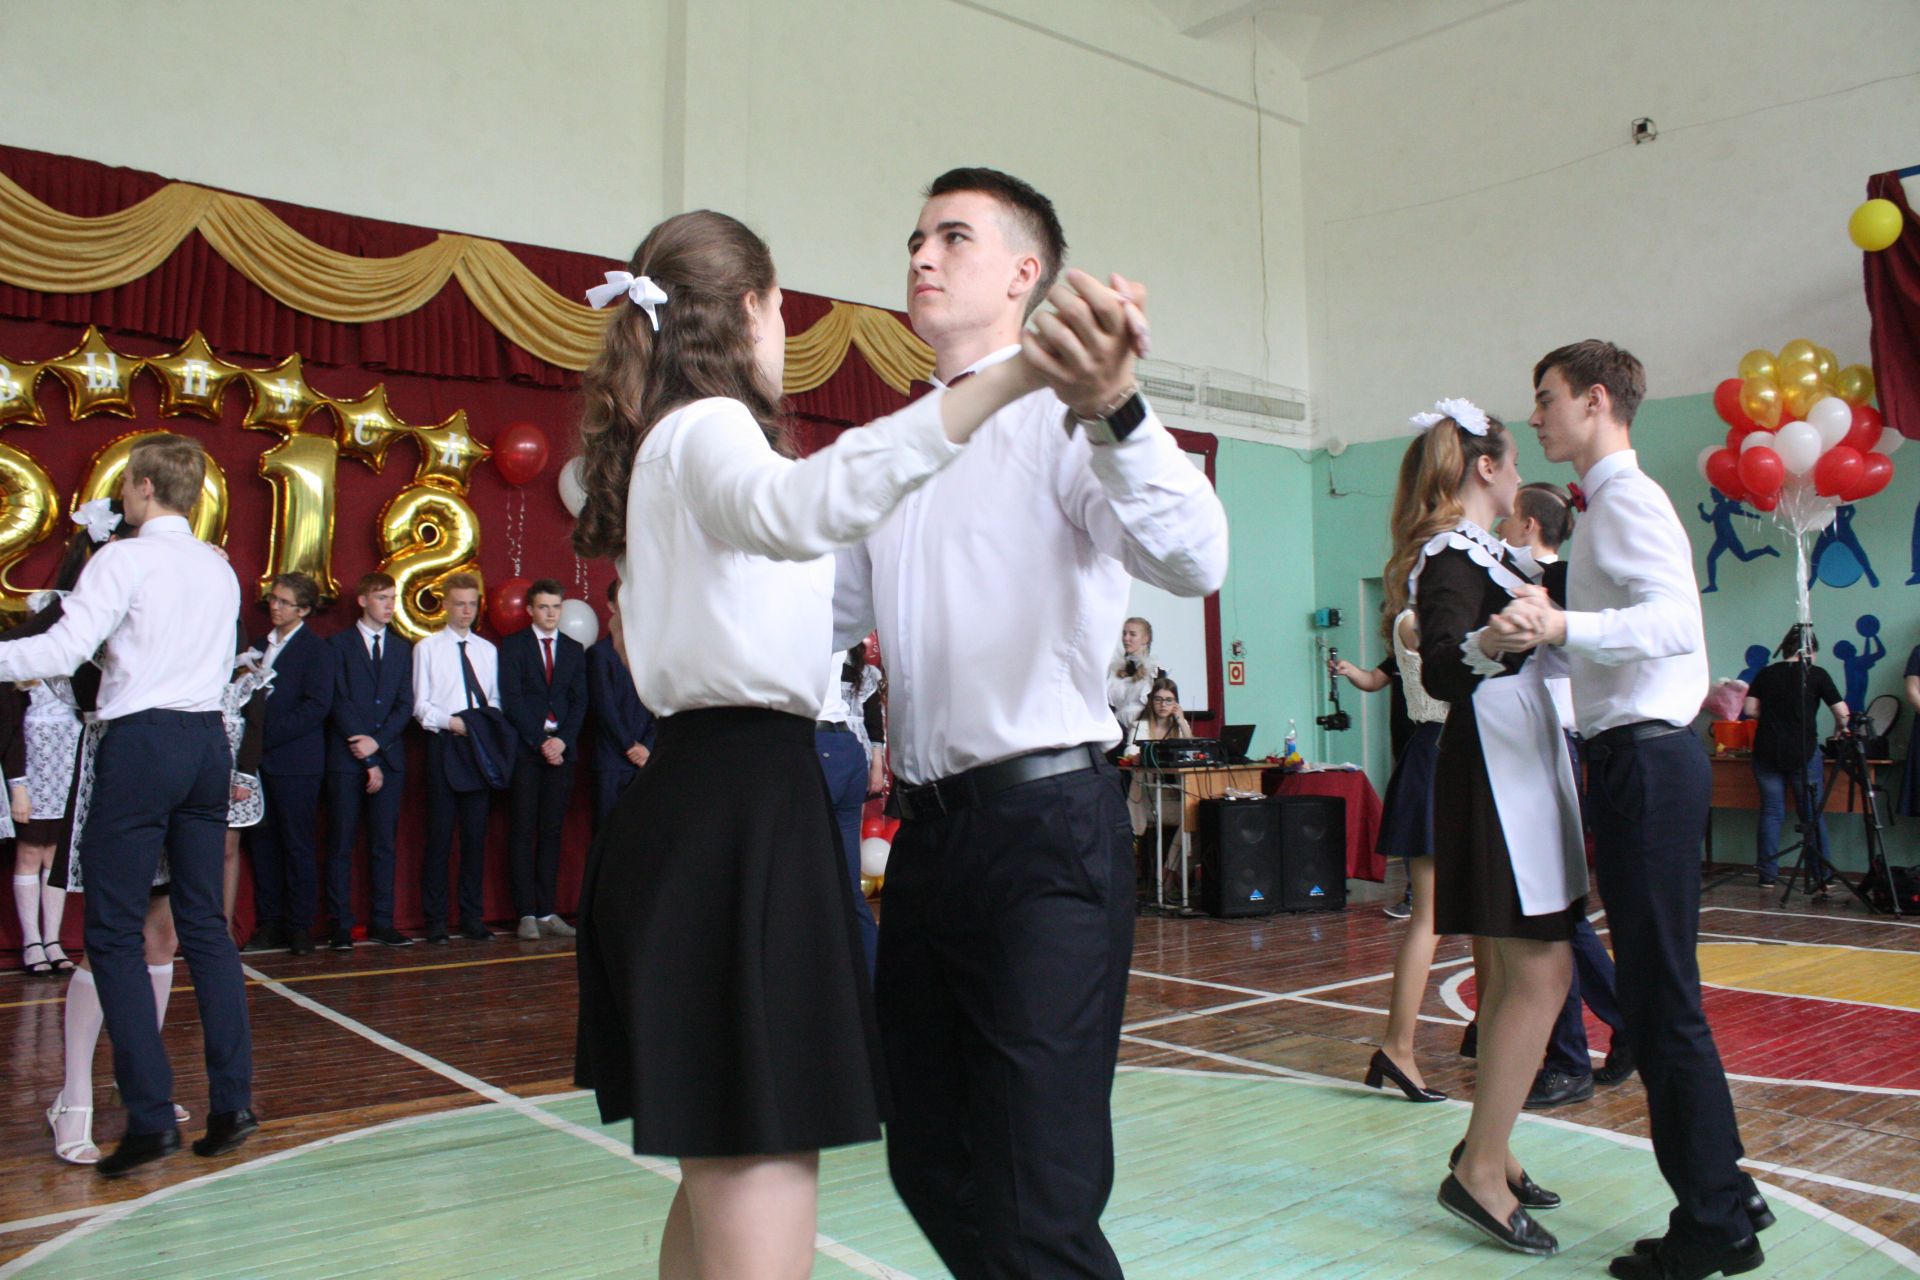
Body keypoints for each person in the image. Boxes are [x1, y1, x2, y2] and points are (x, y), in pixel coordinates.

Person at [568, 207, 1067, 1279]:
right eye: (782, 302)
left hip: (717, 807)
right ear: (751, 309)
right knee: (753, 1180)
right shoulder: (708, 432)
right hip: (737, 816)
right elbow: (799, 511)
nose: (786, 323)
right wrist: (1005, 385)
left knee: (717, 1184)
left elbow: (800, 577)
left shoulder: (676, 441)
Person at [835, 167, 1226, 1279]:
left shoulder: (1071, 417)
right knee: (925, 1152)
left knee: (1036, 1189)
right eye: (914, 235)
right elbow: (816, 610)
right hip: (930, 842)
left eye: (952, 236)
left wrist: (1117, 404)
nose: (919, 254)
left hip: (1046, 828)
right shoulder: (897, 445)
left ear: (1024, 273)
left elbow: (1195, 555)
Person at [1494, 340, 1772, 1279]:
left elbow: (1671, 627)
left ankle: (1716, 1224)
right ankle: (1728, 1193)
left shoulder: (1628, 500)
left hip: (1647, 766)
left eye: (1547, 399)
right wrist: (1536, 643)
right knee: (1658, 1000)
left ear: (1597, 401)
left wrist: (1561, 624)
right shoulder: (1605, 508)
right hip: (1636, 761)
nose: (1536, 416)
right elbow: (1625, 647)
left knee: (1661, 1002)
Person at [0, 433, 256, 1177]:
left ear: (142, 488)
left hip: (141, 745)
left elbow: (59, 652)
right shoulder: (217, 568)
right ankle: (231, 1104)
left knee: (111, 933)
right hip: (208, 745)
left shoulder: (124, 557)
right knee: (205, 927)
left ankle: (150, 1118)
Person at [1404, 400, 1583, 1258]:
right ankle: (1479, 1168)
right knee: (1540, 969)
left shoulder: (1484, 551)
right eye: (1510, 462)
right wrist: (1491, 635)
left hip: (1517, 764)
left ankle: (1491, 1148)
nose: (1520, 476)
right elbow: (1443, 665)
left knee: (1526, 971)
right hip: (1495, 773)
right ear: (1485, 467)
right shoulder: (1449, 552)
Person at [1496, 482, 1632, 1110]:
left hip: (1544, 750)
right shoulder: (1549, 582)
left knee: (1549, 913)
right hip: (1543, 748)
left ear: (1528, 526)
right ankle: (1616, 1024)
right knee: (1553, 913)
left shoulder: (1543, 586)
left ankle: (1571, 1055)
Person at [1352, 469, 1456, 1104]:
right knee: (1432, 914)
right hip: (1437, 754)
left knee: (1459, 915)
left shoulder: (1428, 618)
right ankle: (1398, 1048)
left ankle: (1475, 1039)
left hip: (1452, 756)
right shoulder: (1417, 621)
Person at [244, 572, 336, 957]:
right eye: (273, 599)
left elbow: (316, 707)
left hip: (296, 762)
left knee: (296, 845)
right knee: (262, 845)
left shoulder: (316, 650)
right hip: (260, 762)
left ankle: (300, 925)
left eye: (283, 602)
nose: (274, 606)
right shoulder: (257, 646)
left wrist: (265, 736)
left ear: (303, 610)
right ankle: (270, 923)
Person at [324, 571, 414, 949]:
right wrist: (363, 751)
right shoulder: (337, 646)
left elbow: (404, 705)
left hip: (388, 757)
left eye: (393, 598)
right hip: (347, 758)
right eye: (382, 598)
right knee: (341, 842)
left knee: (384, 844)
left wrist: (377, 744)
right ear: (362, 600)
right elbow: (338, 701)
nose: (389, 605)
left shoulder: (402, 648)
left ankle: (382, 920)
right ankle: (340, 924)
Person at [412, 573, 498, 945]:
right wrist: (451, 722)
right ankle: (435, 919)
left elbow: (494, 700)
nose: (466, 611)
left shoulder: (487, 650)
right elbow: (420, 704)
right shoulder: (427, 648)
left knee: (476, 838)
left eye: (472, 604)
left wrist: (477, 725)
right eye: (459, 604)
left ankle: (472, 915)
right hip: (444, 743)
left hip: (477, 746)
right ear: (445, 605)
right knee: (440, 837)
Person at [499, 578, 587, 941]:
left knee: (552, 832)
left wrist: (562, 742)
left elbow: (580, 701)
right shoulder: (514, 646)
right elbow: (512, 699)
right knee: (523, 830)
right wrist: (541, 742)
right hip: (527, 751)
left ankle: (548, 910)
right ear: (531, 610)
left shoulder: (574, 649)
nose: (551, 613)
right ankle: (526, 913)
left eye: (556, 607)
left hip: (562, 755)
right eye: (544, 607)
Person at [1744, 625, 1845, 890]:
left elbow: (1749, 709)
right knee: (1811, 814)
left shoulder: (1766, 673)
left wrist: (1773, 717)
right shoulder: (1817, 675)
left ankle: (1767, 874)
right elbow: (1842, 713)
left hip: (1766, 750)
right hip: (1803, 751)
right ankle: (1822, 875)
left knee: (1771, 811)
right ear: (1809, 651)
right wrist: (1840, 730)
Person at [1332, 635, 1419, 919]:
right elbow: (1371, 680)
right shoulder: (1396, 658)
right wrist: (1349, 670)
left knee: (1425, 823)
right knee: (1409, 822)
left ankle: (1424, 895)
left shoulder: (1436, 655)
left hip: (1431, 751)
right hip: (1404, 752)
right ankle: (1414, 894)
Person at [819, 647, 879, 978]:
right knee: (847, 886)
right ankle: (873, 986)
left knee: (801, 879)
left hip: (814, 742)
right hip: (845, 745)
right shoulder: (833, 617)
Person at [585, 578, 653, 832]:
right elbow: (604, 708)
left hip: (647, 760)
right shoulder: (599, 654)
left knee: (641, 835)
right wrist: (629, 746)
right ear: (612, 606)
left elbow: (659, 705)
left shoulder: (651, 652)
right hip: (611, 761)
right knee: (607, 833)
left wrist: (647, 745)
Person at [1695, 488, 1777, 593]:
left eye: (1713, 495)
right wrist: (1701, 510)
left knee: (1715, 558)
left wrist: (1754, 516)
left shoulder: (1725, 506)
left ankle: (1712, 585)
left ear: (1720, 496)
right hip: (1723, 538)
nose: (1712, 497)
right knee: (1742, 557)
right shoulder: (1718, 508)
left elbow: (1740, 512)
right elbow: (1709, 520)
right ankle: (1765, 550)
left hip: (1727, 537)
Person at [1106, 616, 1163, 737]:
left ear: (1145, 639)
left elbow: (1158, 708)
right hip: (1115, 732)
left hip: (1142, 731)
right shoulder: (1114, 670)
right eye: (1124, 633)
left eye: (1132, 634)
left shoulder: (1155, 671)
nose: (1126, 638)